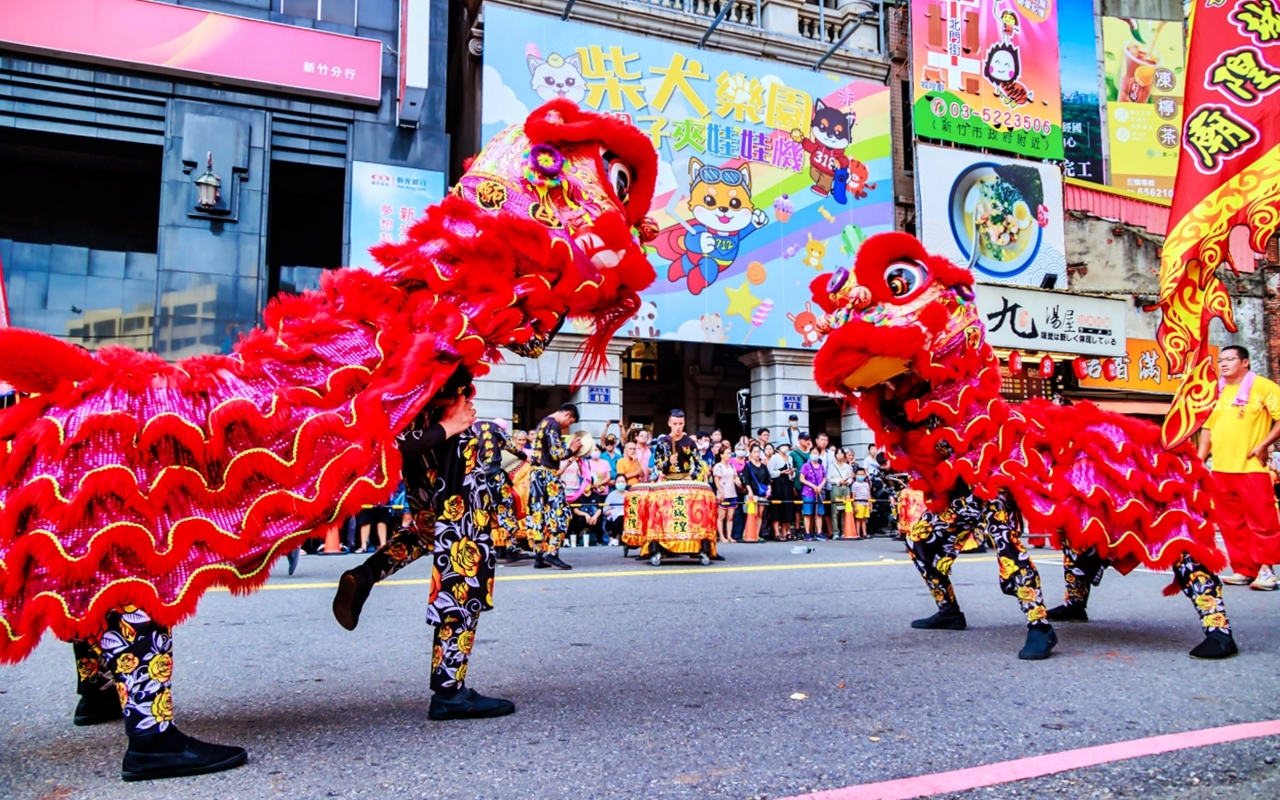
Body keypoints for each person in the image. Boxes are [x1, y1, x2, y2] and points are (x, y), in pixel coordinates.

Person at [332, 368, 516, 721]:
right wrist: (449, 427)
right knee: (463, 570)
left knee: (427, 530)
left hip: (424, 449)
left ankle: (366, 575)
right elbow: (532, 342)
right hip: (450, 450)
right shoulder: (450, 327)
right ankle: (450, 692)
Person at [1198, 345, 1280, 590]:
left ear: (1245, 362)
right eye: (1220, 360)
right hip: (1221, 468)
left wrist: (1264, 444)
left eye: (1230, 359)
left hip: (1252, 467)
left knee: (1261, 521)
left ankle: (1266, 570)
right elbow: (1208, 427)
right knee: (1231, 523)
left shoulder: (1263, 387)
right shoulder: (1217, 391)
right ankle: (1244, 569)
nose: (1223, 364)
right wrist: (1200, 459)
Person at [529, 403, 583, 570]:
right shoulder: (554, 425)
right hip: (548, 476)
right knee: (560, 513)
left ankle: (539, 555)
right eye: (571, 422)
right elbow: (556, 453)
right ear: (567, 415)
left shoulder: (543, 423)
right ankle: (552, 553)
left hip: (535, 475)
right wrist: (572, 449)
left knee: (538, 514)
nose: (568, 426)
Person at [738, 444, 773, 540]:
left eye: (758, 452)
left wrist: (769, 489)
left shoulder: (763, 466)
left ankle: (756, 534)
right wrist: (749, 492)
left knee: (760, 514)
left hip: (762, 493)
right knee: (753, 514)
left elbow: (768, 479)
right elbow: (746, 480)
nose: (757, 454)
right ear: (751, 453)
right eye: (755, 452)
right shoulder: (748, 466)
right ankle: (747, 533)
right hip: (752, 492)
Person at [768, 442, 796, 541]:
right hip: (777, 484)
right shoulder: (775, 457)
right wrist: (780, 472)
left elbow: (792, 475)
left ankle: (785, 532)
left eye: (787, 445)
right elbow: (769, 472)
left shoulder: (790, 458)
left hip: (788, 483)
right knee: (776, 507)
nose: (785, 447)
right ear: (779, 447)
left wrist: (792, 473)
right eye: (783, 445)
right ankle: (777, 533)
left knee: (787, 507)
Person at [712, 446, 739, 544]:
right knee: (721, 516)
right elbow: (716, 480)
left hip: (732, 493)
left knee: (730, 516)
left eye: (730, 453)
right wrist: (720, 491)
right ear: (721, 455)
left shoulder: (732, 466)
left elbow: (736, 477)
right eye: (727, 453)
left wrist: (737, 480)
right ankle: (722, 536)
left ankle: (729, 536)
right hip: (723, 493)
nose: (729, 455)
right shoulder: (718, 466)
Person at [800, 450, 827, 540]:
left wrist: (820, 487)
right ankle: (807, 532)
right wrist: (813, 486)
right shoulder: (806, 466)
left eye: (816, 453)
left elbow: (824, 478)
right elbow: (802, 479)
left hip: (819, 492)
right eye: (813, 453)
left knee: (819, 513)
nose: (814, 455)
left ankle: (819, 532)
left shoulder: (821, 466)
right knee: (807, 513)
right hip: (808, 492)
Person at [828, 449, 854, 539]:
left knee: (845, 511)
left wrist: (847, 482)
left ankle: (844, 531)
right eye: (838, 453)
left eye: (841, 453)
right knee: (835, 511)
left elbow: (851, 477)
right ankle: (836, 532)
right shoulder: (832, 466)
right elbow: (829, 478)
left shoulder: (847, 466)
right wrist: (839, 481)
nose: (840, 455)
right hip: (836, 488)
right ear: (835, 455)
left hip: (845, 489)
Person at [790, 432, 812, 528]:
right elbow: (791, 470)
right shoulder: (793, 454)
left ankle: (810, 530)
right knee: (797, 509)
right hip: (798, 484)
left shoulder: (812, 453)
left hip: (811, 485)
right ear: (799, 440)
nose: (808, 441)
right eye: (805, 439)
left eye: (809, 439)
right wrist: (793, 486)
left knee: (810, 507)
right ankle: (798, 528)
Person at [603, 477, 628, 545]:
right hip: (612, 520)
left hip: (628, 518)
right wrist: (615, 511)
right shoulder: (611, 495)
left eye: (622, 482)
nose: (620, 483)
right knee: (621, 516)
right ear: (615, 483)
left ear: (626, 483)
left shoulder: (630, 495)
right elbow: (605, 512)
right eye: (618, 482)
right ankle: (612, 538)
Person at [851, 467, 872, 539]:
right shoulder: (854, 484)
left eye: (862, 474)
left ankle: (864, 533)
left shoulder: (866, 484)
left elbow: (869, 494)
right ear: (856, 475)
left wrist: (870, 504)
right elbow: (853, 496)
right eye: (859, 474)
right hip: (858, 503)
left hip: (866, 503)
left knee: (864, 519)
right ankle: (857, 533)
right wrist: (854, 506)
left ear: (865, 475)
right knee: (858, 519)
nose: (861, 476)